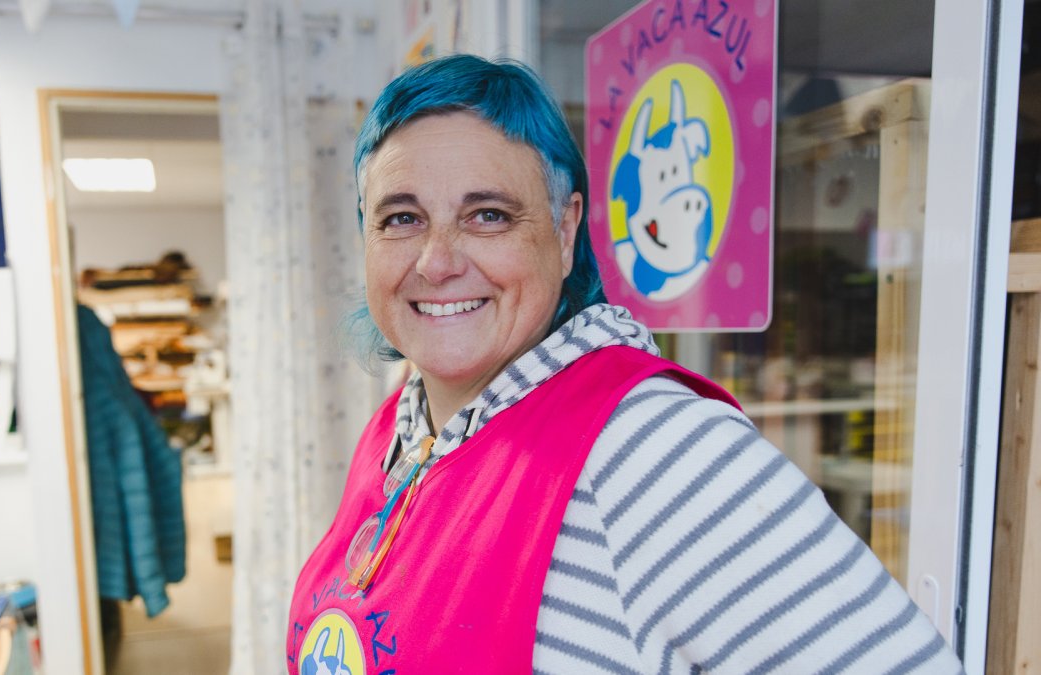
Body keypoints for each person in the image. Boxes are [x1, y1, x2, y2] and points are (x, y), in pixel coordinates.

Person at [287, 54, 963, 674]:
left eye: (487, 214)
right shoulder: (399, 429)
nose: (436, 261)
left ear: (565, 226)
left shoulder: (655, 451)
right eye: (400, 218)